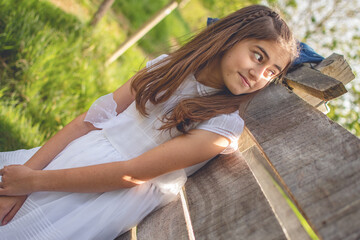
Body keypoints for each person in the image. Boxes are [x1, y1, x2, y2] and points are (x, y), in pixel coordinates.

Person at [0, 4, 298, 239]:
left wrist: (33, 182)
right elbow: (88, 122)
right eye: (258, 57)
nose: (260, 75)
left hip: (102, 196)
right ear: (230, 39)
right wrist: (26, 175)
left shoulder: (221, 126)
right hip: (75, 158)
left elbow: (131, 174)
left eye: (272, 72)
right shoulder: (164, 67)